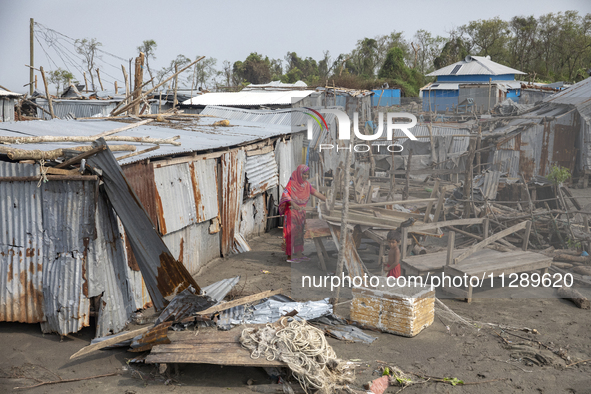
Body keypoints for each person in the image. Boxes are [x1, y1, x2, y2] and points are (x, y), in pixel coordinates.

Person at [279, 165, 327, 263]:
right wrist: (294, 204)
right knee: (291, 233)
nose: (306, 176)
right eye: (304, 174)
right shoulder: (291, 183)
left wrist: (327, 200)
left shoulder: (307, 185)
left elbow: (316, 193)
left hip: (301, 213)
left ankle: (299, 254)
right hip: (291, 212)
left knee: (299, 233)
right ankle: (290, 256)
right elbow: (285, 195)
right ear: (299, 173)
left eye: (307, 174)